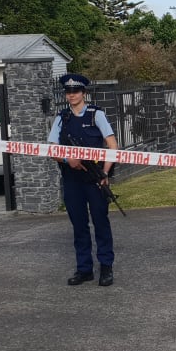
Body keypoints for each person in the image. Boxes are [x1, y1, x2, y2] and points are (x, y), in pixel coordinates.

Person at [48, 73, 119, 287]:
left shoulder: (96, 115)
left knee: (100, 222)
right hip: (72, 180)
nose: (72, 95)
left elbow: (113, 146)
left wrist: (105, 173)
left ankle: (106, 267)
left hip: (95, 179)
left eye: (76, 91)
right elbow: (51, 148)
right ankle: (84, 269)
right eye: (68, 92)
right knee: (79, 225)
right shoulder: (62, 118)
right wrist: (68, 159)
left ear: (83, 93)